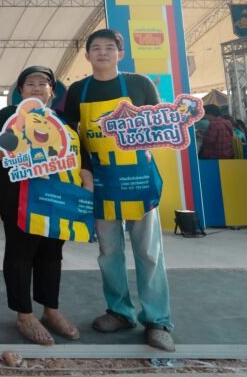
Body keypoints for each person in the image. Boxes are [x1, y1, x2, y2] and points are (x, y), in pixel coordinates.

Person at [63, 28, 175, 352]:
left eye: (109, 48)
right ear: (87, 55)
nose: (103, 53)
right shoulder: (78, 90)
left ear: (120, 54)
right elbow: (71, 135)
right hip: (100, 182)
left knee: (148, 251)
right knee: (109, 253)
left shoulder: (140, 84)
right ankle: (120, 312)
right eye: (96, 48)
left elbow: (158, 124)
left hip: (138, 180)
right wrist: (83, 170)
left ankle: (158, 320)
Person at [0, 66, 92, 346]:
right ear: (20, 91)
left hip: (58, 198)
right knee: (20, 254)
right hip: (19, 198)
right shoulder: (8, 116)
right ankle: (25, 315)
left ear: (51, 91)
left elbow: (80, 155)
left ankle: (51, 310)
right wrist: (11, 140)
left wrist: (87, 186)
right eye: (29, 83)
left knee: (52, 254)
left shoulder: (62, 120)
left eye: (43, 83)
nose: (36, 88)